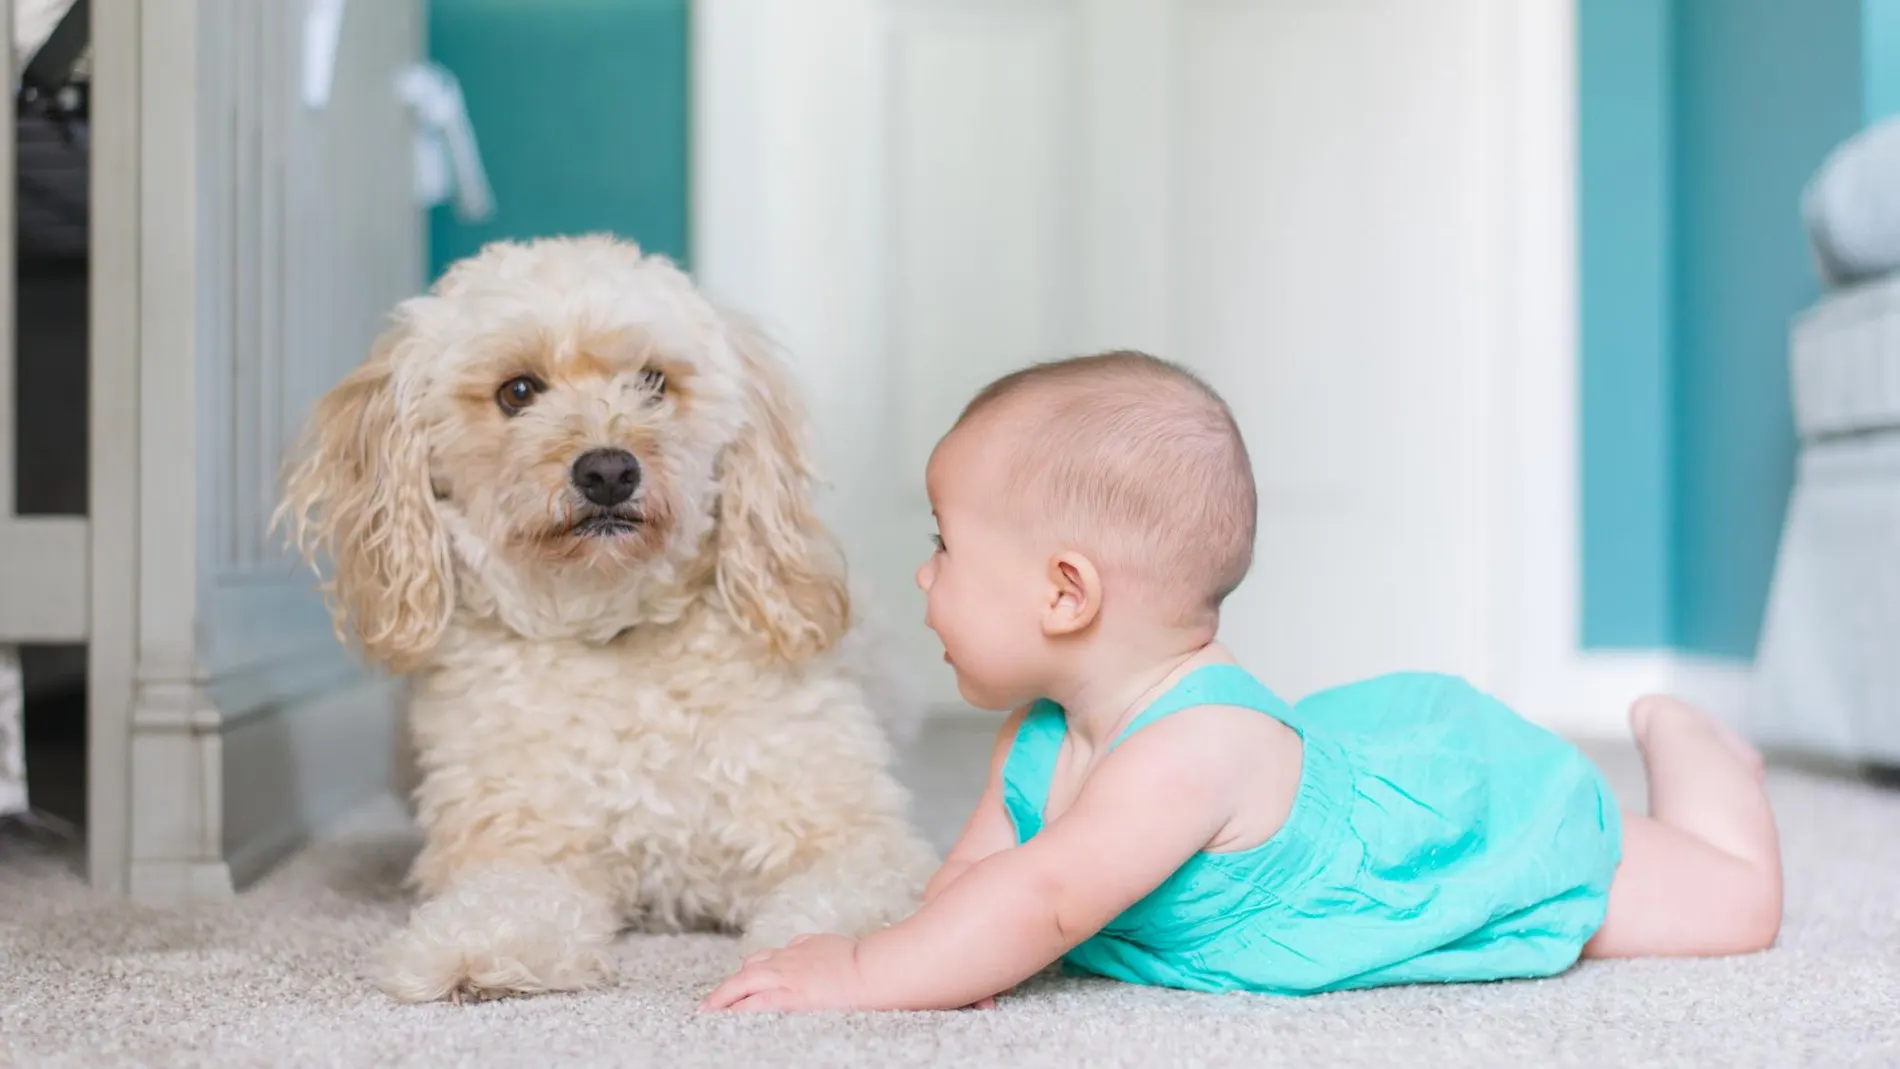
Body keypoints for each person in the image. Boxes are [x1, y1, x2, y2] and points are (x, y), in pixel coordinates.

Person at [698, 350, 1785, 1013]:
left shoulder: (1186, 755)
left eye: (946, 548)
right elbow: (980, 884)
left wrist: (861, 974)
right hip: (1325, 770)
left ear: (1065, 594)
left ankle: (1698, 754)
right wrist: (935, 953)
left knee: (1734, 907)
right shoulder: (1037, 736)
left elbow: (1042, 898)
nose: (923, 575)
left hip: (1447, 830)